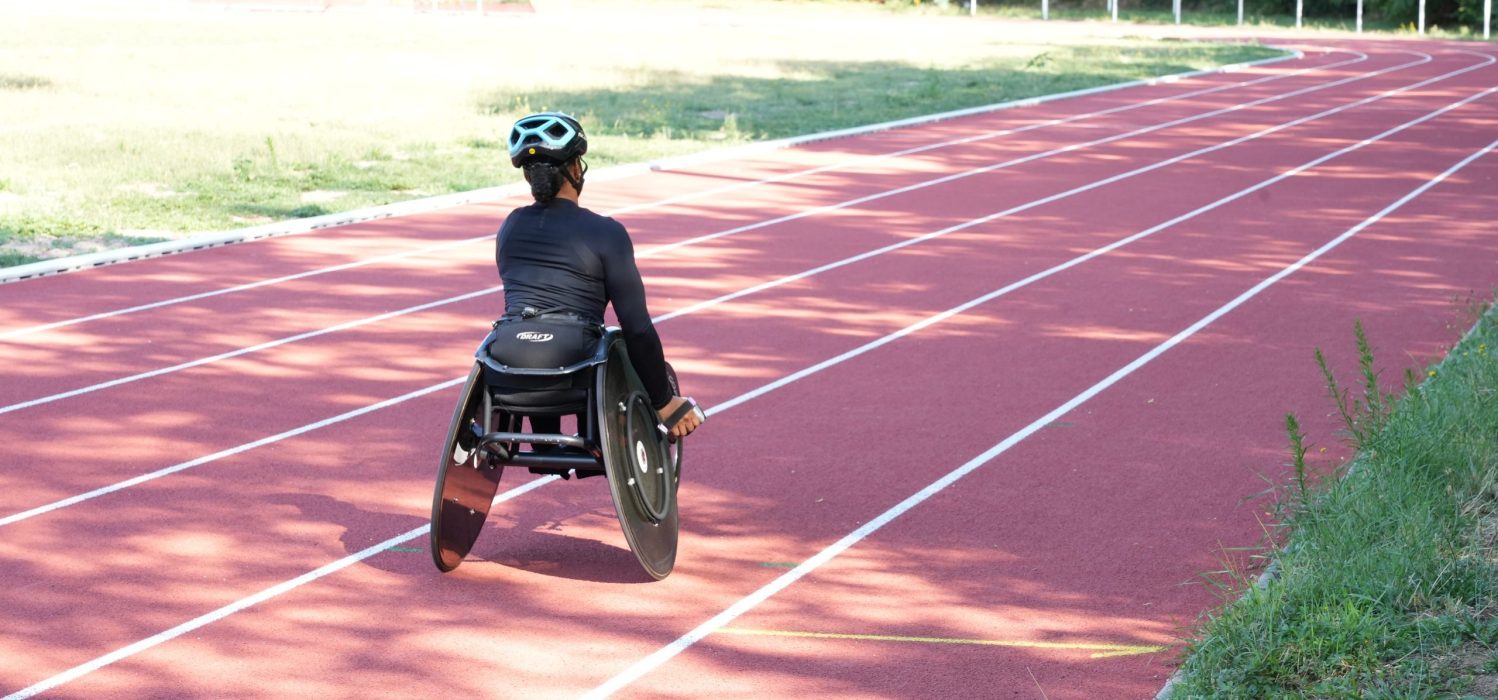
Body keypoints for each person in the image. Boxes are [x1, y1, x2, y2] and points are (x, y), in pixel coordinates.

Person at [491, 111, 702, 439]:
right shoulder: (607, 233)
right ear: (576, 169)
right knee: (616, 340)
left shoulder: (510, 226)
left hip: (507, 366)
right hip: (575, 370)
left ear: (529, 178)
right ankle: (602, 436)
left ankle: (537, 437)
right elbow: (638, 328)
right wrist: (663, 401)